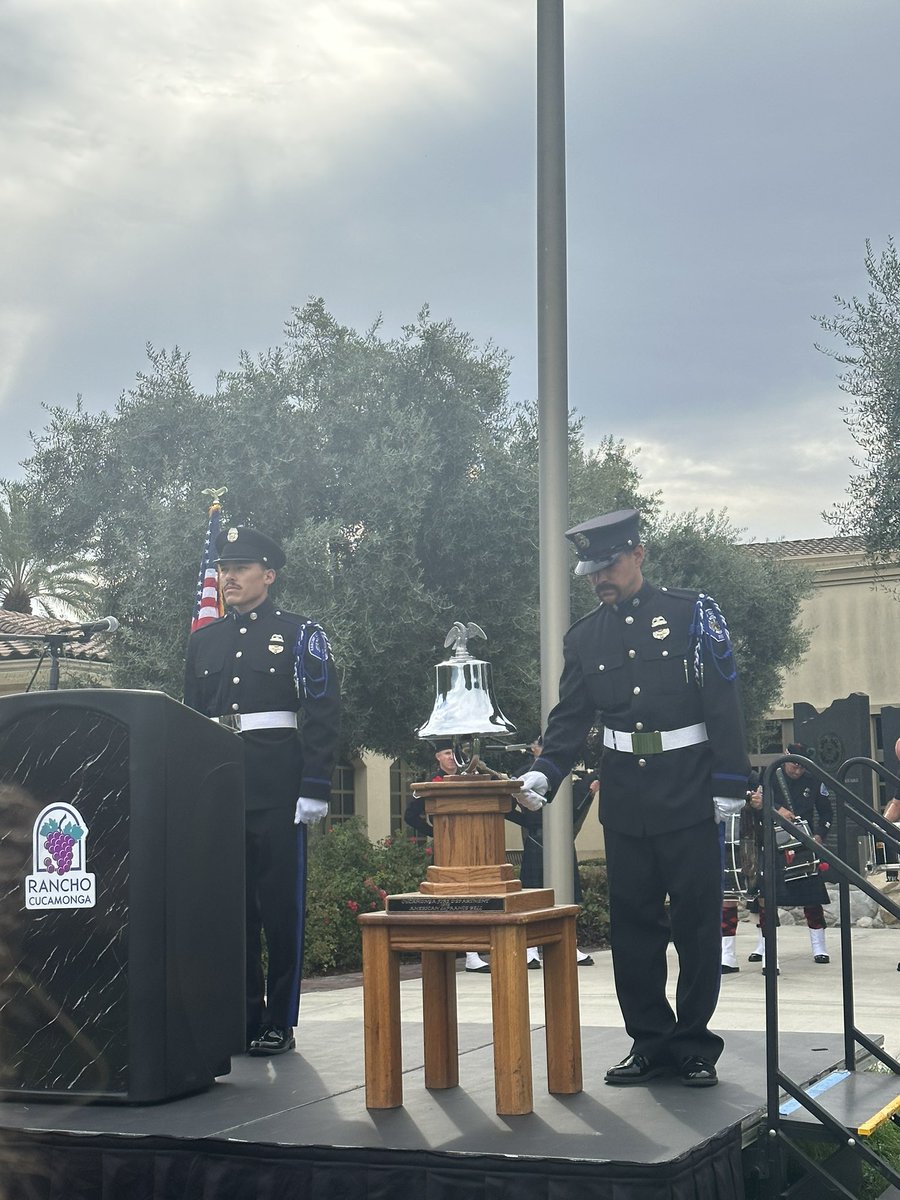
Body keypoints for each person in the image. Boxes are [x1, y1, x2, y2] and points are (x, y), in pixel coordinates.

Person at [519, 509, 749, 1089]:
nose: (601, 577)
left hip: (689, 789)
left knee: (696, 923)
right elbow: (572, 715)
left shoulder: (692, 614)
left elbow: (723, 701)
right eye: (593, 570)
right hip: (626, 795)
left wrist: (730, 781)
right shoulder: (584, 636)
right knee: (633, 927)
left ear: (638, 554)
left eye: (611, 564)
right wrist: (547, 770)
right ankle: (649, 1042)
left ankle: (693, 1046)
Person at [184, 525, 340, 1056]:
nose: (229, 577)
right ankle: (244, 1016)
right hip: (221, 788)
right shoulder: (204, 640)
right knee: (233, 911)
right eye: (224, 568)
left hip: (278, 787)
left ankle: (280, 1019)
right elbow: (191, 720)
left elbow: (322, 714)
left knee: (279, 908)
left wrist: (314, 785)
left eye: (241, 568)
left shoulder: (299, 634)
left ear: (268, 575)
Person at [508, 737, 596, 968]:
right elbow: (507, 807)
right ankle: (530, 947)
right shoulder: (523, 773)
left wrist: (588, 793)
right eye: (542, 744)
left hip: (562, 837)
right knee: (533, 892)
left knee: (568, 892)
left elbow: (574, 811)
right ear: (533, 748)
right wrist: (528, 822)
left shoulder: (565, 774)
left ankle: (570, 943)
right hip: (536, 838)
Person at [405, 741, 491, 973]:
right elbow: (410, 815)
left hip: (471, 843)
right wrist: (435, 833)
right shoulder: (433, 783)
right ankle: (453, 949)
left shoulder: (467, 778)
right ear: (438, 757)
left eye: (454, 753)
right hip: (447, 847)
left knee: (471, 894)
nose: (451, 757)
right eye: (446, 753)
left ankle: (472, 951)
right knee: (448, 896)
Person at [746, 743, 833, 967]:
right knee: (766, 897)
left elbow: (826, 812)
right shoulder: (770, 775)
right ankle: (763, 945)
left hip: (803, 841)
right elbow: (757, 804)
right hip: (772, 841)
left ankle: (819, 946)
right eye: (794, 765)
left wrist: (818, 836)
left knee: (812, 897)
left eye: (801, 767)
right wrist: (776, 809)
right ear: (786, 758)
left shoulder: (813, 779)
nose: (797, 770)